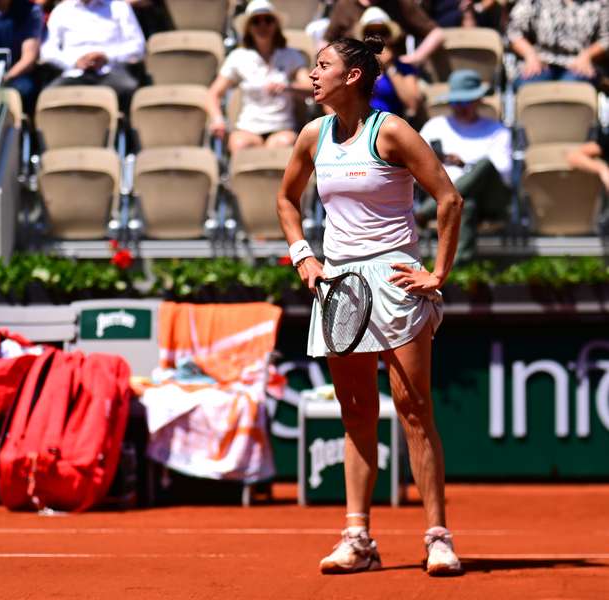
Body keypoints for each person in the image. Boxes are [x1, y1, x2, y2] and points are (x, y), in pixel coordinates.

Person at [276, 35, 464, 576]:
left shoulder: (394, 131)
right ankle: (357, 538)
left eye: (323, 66)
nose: (313, 75)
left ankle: (437, 539)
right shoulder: (313, 135)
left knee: (414, 410)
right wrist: (303, 256)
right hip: (338, 287)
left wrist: (437, 273)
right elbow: (286, 199)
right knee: (356, 413)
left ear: (353, 76)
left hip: (396, 282)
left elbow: (449, 198)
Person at [417, 69, 511, 264]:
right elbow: (414, 164)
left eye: (465, 101)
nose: (460, 107)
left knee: (485, 165)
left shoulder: (497, 130)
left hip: (489, 199)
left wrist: (465, 164)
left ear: (478, 100)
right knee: (466, 204)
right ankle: (456, 270)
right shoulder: (435, 126)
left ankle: (424, 212)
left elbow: (503, 171)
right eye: (455, 102)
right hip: (450, 199)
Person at [206, 0, 312, 155]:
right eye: (256, 21)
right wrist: (217, 120)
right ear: (249, 27)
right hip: (248, 128)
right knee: (240, 145)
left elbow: (312, 89)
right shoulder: (238, 57)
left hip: (282, 127)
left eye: (268, 20)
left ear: (275, 24)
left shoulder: (291, 55)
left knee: (283, 144)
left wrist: (288, 88)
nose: (263, 25)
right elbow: (213, 94)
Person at [39, 0, 146, 111]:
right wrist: (74, 62)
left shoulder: (119, 7)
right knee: (49, 98)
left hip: (111, 71)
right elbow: (47, 50)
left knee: (129, 89)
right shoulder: (61, 10)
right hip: (73, 73)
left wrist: (107, 57)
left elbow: (137, 46)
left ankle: (122, 126)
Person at [508, 0, 609, 89]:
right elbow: (514, 32)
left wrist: (588, 55)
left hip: (578, 64)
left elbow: (606, 38)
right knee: (528, 86)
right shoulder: (533, 2)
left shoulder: (600, 3)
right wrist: (530, 54)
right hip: (542, 61)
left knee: (570, 89)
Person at [324, 0, 444, 67]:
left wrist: (415, 58)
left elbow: (436, 33)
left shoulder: (400, 4)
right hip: (354, 70)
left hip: (393, 71)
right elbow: (326, 41)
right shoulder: (345, 5)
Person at [356, 6, 421, 121]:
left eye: (382, 32)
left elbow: (412, 105)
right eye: (370, 33)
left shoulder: (404, 68)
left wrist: (390, 67)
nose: (377, 38)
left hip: (389, 127)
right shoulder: (354, 66)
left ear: (390, 37)